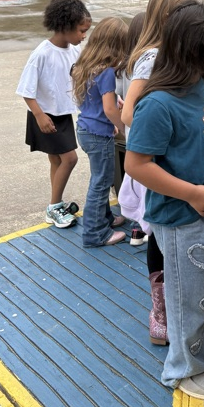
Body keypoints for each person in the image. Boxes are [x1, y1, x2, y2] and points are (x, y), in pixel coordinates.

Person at [125, 0, 204, 399]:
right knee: (190, 298)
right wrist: (191, 193)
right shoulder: (157, 103)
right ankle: (185, 366)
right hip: (183, 218)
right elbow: (136, 164)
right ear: (199, 47)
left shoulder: (203, 85)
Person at [121, 0, 194, 344]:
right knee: (158, 235)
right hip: (155, 162)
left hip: (167, 161)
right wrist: (166, 125)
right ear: (169, 18)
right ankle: (160, 313)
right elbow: (128, 112)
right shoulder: (154, 57)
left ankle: (172, 309)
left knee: (164, 234)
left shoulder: (175, 53)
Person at [17, 0, 92, 229]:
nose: (84, 36)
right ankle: (53, 207)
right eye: (81, 30)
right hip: (45, 116)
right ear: (65, 26)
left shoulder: (74, 51)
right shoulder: (42, 53)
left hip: (62, 114)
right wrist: (39, 115)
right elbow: (26, 90)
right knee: (70, 159)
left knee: (57, 161)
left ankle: (56, 203)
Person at [71, 17, 129, 248]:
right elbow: (109, 109)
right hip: (99, 136)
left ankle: (105, 218)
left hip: (85, 129)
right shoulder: (107, 72)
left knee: (99, 178)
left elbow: (91, 101)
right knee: (101, 183)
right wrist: (124, 127)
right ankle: (95, 233)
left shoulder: (85, 66)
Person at [114, 11, 147, 247]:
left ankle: (136, 227)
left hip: (130, 131)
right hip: (142, 128)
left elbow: (116, 94)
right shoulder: (148, 65)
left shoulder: (124, 66)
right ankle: (144, 225)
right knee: (147, 182)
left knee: (134, 179)